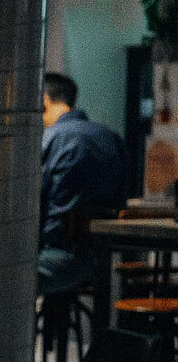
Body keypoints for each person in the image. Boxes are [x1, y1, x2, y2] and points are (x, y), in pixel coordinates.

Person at [39, 72, 128, 294]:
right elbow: (123, 198)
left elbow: (32, 199)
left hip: (55, 256)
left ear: (44, 101)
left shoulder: (49, 139)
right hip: (100, 258)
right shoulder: (112, 138)